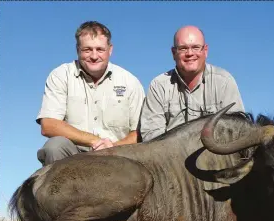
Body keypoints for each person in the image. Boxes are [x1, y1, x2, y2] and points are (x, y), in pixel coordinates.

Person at [36, 21, 145, 166]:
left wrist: (112, 148)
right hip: (74, 156)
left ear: (110, 50)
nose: (94, 56)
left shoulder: (130, 82)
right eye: (87, 50)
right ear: (77, 49)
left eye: (100, 49)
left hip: (117, 157)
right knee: (54, 147)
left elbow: (139, 133)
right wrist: (94, 140)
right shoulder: (61, 75)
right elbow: (48, 124)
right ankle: (59, 188)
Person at [139, 25, 245, 142]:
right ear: (174, 53)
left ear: (205, 51)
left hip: (215, 157)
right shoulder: (158, 86)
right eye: (183, 48)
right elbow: (152, 136)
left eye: (195, 47)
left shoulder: (224, 82)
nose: (190, 53)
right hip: (169, 157)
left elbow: (237, 131)